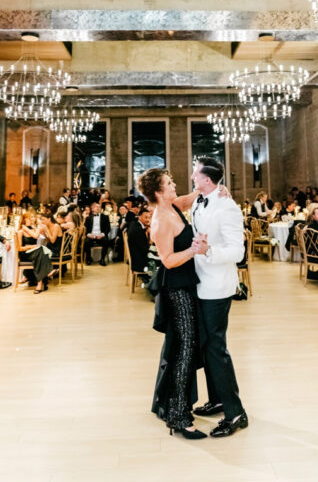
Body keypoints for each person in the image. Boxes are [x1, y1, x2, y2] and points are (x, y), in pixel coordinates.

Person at [139, 168, 207, 439]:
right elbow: (167, 260)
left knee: (184, 347)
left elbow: (190, 198)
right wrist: (193, 249)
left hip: (186, 285)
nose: (174, 184)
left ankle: (171, 405)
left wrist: (210, 188)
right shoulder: (160, 220)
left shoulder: (172, 206)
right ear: (158, 191)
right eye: (169, 183)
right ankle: (179, 416)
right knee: (185, 350)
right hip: (176, 290)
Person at [188, 157, 248, 437]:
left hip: (218, 286)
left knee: (216, 348)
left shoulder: (228, 207)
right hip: (200, 282)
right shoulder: (201, 199)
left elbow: (238, 252)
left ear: (207, 180)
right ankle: (218, 399)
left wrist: (208, 251)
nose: (192, 175)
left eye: (195, 172)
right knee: (207, 346)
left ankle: (236, 413)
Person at [127, 205, 153, 282]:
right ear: (139, 217)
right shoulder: (138, 230)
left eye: (149, 217)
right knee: (163, 261)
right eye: (146, 217)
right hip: (139, 262)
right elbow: (145, 250)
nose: (148, 220)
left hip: (136, 256)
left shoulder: (135, 224)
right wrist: (151, 239)